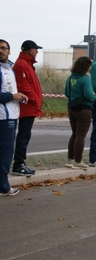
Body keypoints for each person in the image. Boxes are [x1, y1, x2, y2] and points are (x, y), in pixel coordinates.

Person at [0, 39, 28, 196]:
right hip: (4, 117)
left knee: (5, 153)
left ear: (9, 51)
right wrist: (13, 95)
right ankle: (4, 187)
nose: (1, 51)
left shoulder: (10, 68)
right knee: (5, 153)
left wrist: (19, 96)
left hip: (11, 114)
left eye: (4, 48)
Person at [11, 40, 43, 177]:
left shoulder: (26, 64)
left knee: (25, 134)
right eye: (36, 49)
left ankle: (19, 163)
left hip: (29, 105)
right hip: (27, 106)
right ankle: (18, 164)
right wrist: (35, 100)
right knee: (23, 135)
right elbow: (24, 86)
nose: (37, 52)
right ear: (31, 50)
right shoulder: (22, 64)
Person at [64, 57, 96, 168]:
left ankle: (70, 159)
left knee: (74, 134)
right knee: (81, 136)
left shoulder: (70, 78)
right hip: (84, 109)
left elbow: (66, 93)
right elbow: (88, 95)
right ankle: (78, 161)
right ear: (86, 66)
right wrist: (94, 97)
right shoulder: (85, 79)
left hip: (71, 108)